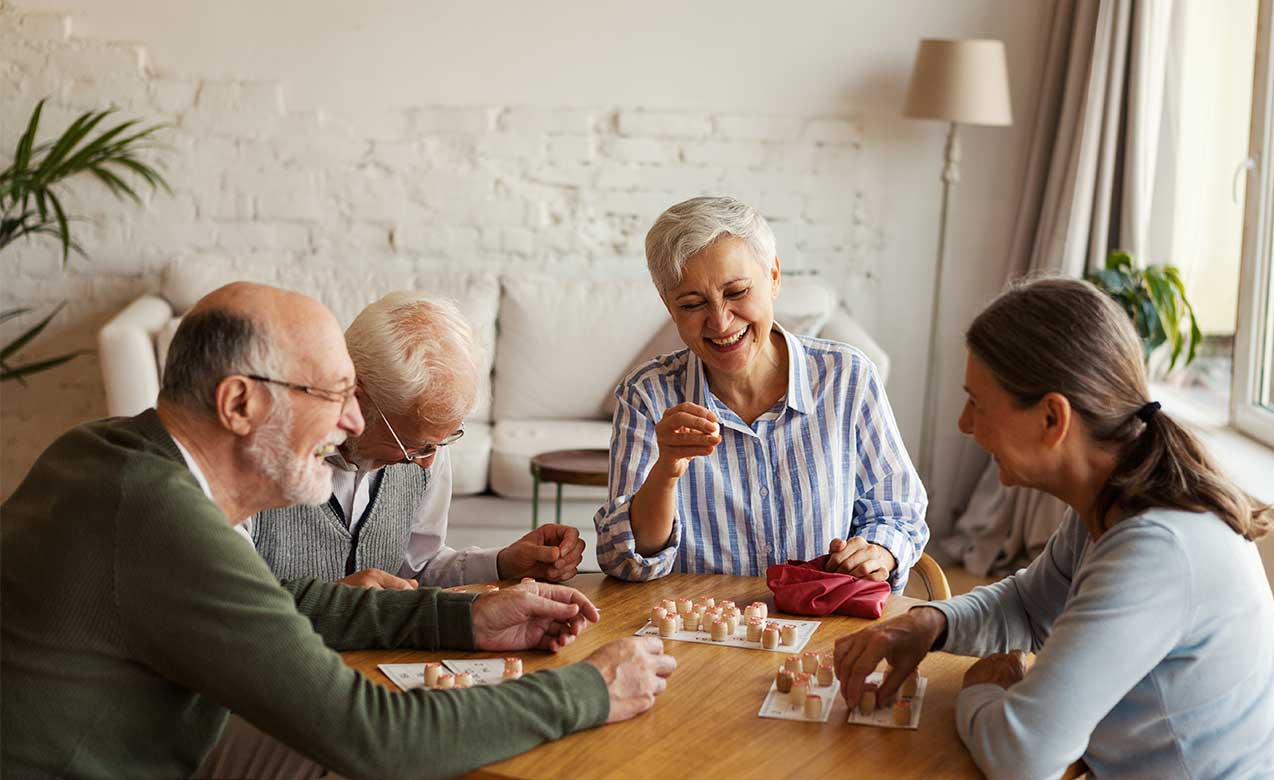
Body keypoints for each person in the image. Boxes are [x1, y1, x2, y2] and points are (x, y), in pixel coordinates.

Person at [0, 282, 675, 780]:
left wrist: (463, 620)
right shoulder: (162, 516)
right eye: (333, 395)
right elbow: (373, 736)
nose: (351, 424)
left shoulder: (106, 451)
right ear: (239, 403)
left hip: (159, 736)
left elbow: (280, 602)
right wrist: (587, 689)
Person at [833, 277, 1274, 779]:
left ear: (1052, 418)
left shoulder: (1156, 549)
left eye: (978, 402)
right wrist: (933, 623)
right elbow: (1027, 606)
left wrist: (980, 689)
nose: (964, 424)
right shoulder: (1111, 502)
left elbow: (1024, 757)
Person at [594, 195, 928, 589]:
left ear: (773, 277)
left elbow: (899, 513)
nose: (720, 322)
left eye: (736, 292)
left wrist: (877, 551)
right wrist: (666, 471)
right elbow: (624, 559)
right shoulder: (647, 394)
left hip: (822, 627)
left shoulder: (847, 377)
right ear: (670, 307)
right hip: (698, 637)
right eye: (693, 303)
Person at [246, 291, 584, 590]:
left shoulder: (427, 443)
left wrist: (503, 564)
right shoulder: (256, 454)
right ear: (356, 397)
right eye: (413, 445)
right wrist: (336, 599)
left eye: (442, 442)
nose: (427, 462)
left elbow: (418, 567)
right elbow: (221, 603)